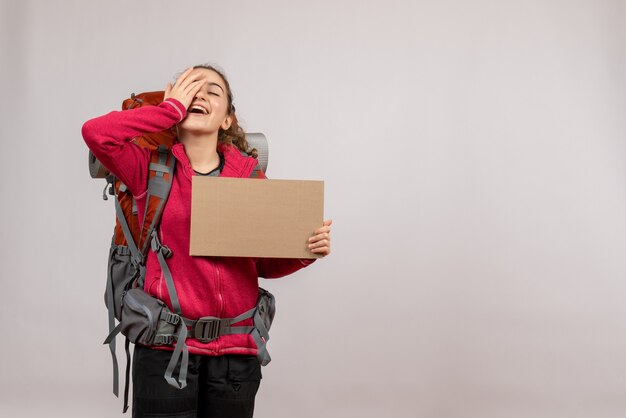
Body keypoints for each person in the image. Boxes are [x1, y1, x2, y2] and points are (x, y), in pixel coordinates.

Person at [82, 63, 332, 418]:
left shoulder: (249, 178)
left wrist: (306, 250)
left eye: (212, 92)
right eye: (190, 90)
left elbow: (261, 264)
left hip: (236, 355)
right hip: (165, 350)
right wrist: (167, 110)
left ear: (227, 119)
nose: (199, 96)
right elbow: (96, 133)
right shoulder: (148, 169)